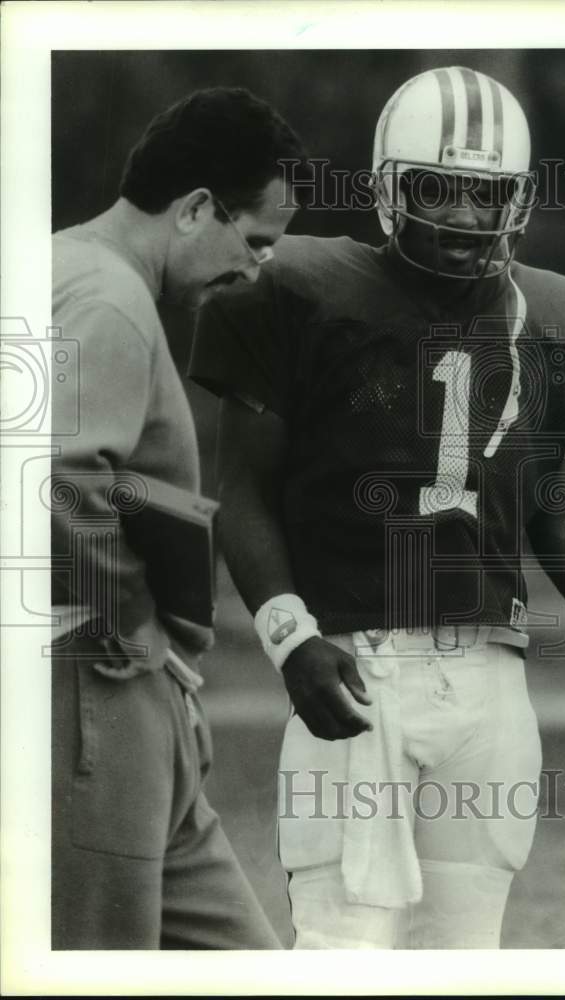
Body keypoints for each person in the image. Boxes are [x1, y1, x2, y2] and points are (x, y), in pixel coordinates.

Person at [190, 67, 565, 950]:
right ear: (386, 185)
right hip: (351, 662)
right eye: (436, 189)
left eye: (484, 194)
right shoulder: (292, 290)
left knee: (464, 952)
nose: (460, 216)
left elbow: (559, 517)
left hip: (489, 678)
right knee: (344, 948)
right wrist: (290, 637)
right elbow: (244, 490)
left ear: (520, 200)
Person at [50, 86, 302, 949]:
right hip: (95, 676)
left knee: (241, 956)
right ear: (197, 208)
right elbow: (63, 476)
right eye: (256, 241)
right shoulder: (111, 299)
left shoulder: (59, 265)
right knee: (100, 955)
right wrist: (135, 635)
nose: (258, 266)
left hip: (130, 690)